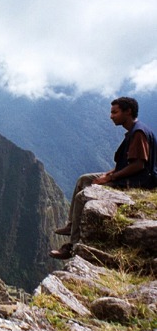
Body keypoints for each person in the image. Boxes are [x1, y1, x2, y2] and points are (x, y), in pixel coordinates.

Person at [49, 97, 157, 260]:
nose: (111, 116)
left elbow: (139, 165)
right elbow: (128, 163)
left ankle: (72, 246)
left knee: (82, 197)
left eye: (115, 112)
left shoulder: (139, 133)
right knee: (83, 180)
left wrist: (110, 178)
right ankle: (72, 226)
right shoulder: (134, 131)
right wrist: (108, 173)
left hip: (138, 181)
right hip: (130, 176)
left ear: (128, 112)